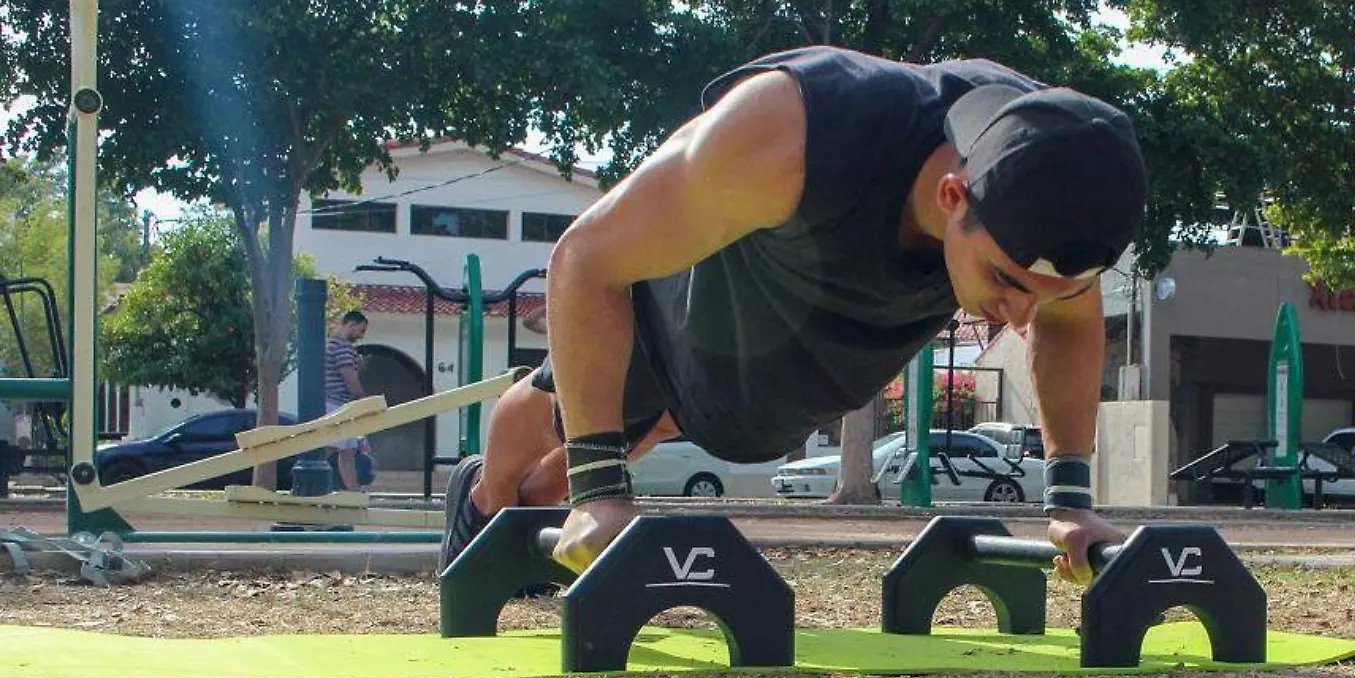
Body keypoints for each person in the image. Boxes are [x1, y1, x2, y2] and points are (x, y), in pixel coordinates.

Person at [439, 46, 1147, 583]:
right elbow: (585, 260)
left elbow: (1070, 320)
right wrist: (598, 490)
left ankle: (541, 497)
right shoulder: (795, 129)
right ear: (953, 196)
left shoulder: (1062, 173)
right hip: (694, 297)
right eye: (1005, 280)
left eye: (1043, 294)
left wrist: (1070, 502)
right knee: (576, 415)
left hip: (784, 360)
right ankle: (484, 495)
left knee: (665, 424)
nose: (1020, 317)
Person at [324, 309, 371, 491]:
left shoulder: (330, 346)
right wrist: (364, 402)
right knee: (336, 449)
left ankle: (354, 492)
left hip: (335, 404)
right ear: (350, 325)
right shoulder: (343, 348)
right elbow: (350, 379)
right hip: (336, 405)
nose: (361, 336)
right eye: (360, 331)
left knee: (346, 451)